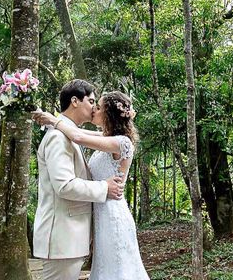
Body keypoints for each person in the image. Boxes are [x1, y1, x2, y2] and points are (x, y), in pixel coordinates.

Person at [34, 91, 150, 280]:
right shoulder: (104, 137)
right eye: (92, 104)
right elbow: (75, 133)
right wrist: (52, 122)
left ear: (108, 114)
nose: (94, 109)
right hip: (100, 211)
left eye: (98, 106)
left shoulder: (122, 142)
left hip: (112, 212)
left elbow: (78, 137)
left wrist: (53, 119)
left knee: (118, 270)